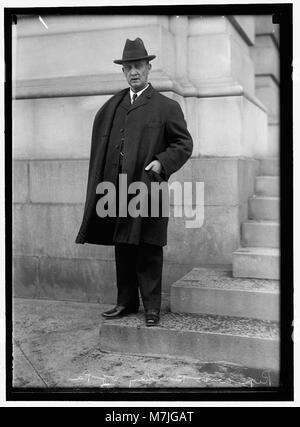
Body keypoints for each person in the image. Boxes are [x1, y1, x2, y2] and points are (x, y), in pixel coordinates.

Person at [76, 38, 193, 326]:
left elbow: (183, 143)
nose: (134, 72)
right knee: (123, 244)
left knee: (149, 245)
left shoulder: (166, 107)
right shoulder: (114, 106)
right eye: (128, 67)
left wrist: (162, 163)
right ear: (123, 71)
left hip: (148, 185)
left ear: (149, 67)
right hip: (116, 187)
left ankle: (151, 307)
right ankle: (126, 302)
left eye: (138, 66)